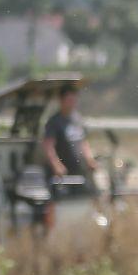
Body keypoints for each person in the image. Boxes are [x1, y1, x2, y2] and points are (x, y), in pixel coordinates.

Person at [39, 85, 97, 229]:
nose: (72, 102)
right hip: (60, 174)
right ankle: (50, 230)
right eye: (69, 99)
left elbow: (83, 143)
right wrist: (57, 165)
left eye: (74, 99)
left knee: (88, 196)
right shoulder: (54, 122)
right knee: (55, 202)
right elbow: (48, 146)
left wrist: (90, 160)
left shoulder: (77, 119)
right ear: (61, 100)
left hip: (78, 171)